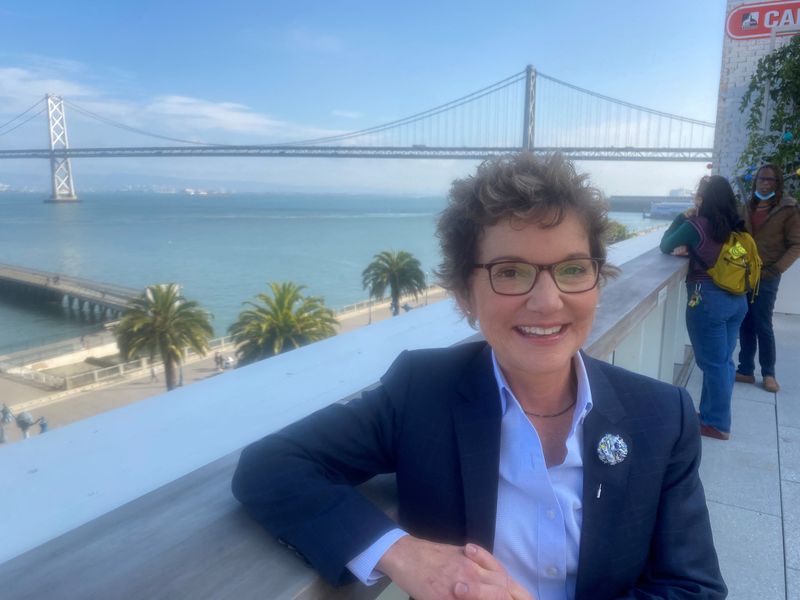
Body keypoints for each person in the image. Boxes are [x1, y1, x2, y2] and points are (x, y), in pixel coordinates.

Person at [232, 153, 726, 600]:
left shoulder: (661, 416)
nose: (547, 302)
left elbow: (693, 588)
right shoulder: (422, 393)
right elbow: (270, 465)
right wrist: (402, 553)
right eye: (509, 272)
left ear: (598, 279)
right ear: (465, 293)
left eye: (572, 269)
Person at [660, 175, 748, 441]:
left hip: (707, 299)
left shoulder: (697, 225)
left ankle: (718, 423)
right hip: (737, 300)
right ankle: (711, 415)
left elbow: (665, 244)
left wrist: (682, 217)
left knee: (713, 364)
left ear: (703, 199)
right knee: (723, 361)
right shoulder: (737, 227)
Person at [735, 164, 800, 393]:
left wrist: (777, 269)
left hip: (768, 274)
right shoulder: (746, 206)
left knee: (763, 324)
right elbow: (738, 238)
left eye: (770, 180)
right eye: (761, 179)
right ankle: (745, 369)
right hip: (744, 273)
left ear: (777, 183)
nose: (764, 183)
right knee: (745, 322)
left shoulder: (788, 209)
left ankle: (769, 373)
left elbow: (796, 244)